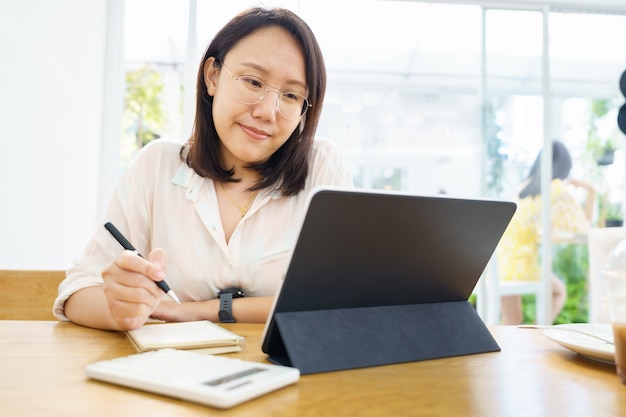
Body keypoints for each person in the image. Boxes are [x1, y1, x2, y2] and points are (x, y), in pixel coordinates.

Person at [53, 7, 353, 331]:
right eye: (253, 81)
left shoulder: (321, 167)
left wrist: (202, 311)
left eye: (292, 95)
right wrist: (121, 307)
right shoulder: (157, 165)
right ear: (213, 76)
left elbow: (336, 300)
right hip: (169, 372)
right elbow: (77, 292)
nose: (268, 111)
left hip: (284, 373)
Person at [498, 140, 595, 325]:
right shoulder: (555, 188)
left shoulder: (524, 187)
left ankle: (520, 344)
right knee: (558, 292)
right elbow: (584, 227)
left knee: (511, 321)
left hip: (499, 263)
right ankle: (535, 333)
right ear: (564, 166)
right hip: (522, 264)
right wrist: (591, 191)